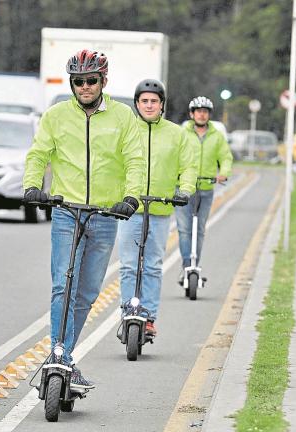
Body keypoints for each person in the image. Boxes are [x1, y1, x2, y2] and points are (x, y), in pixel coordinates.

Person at [23, 49, 145, 390]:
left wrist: (131, 197)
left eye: (91, 80)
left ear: (103, 81)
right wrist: (33, 186)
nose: (85, 86)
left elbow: (135, 160)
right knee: (64, 284)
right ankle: (59, 354)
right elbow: (38, 153)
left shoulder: (123, 117)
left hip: (106, 215)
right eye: (78, 81)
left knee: (87, 292)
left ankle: (65, 355)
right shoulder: (56, 116)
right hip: (66, 211)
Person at [117, 79, 196, 337]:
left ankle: (149, 317)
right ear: (137, 104)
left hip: (160, 211)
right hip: (129, 209)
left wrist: (184, 190)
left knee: (151, 266)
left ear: (162, 104)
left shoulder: (177, 134)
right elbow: (112, 164)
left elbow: (188, 167)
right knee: (129, 265)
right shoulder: (126, 130)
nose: (149, 105)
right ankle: (128, 311)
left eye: (154, 101)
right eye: (144, 101)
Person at [176, 96, 233, 282]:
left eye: (205, 111)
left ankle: (195, 265)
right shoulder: (182, 133)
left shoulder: (217, 136)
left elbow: (225, 157)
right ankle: (187, 266)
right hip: (184, 189)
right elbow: (173, 154)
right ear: (192, 114)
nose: (201, 114)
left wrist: (223, 172)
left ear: (209, 115)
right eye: (198, 111)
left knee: (199, 230)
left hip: (206, 189)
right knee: (185, 229)